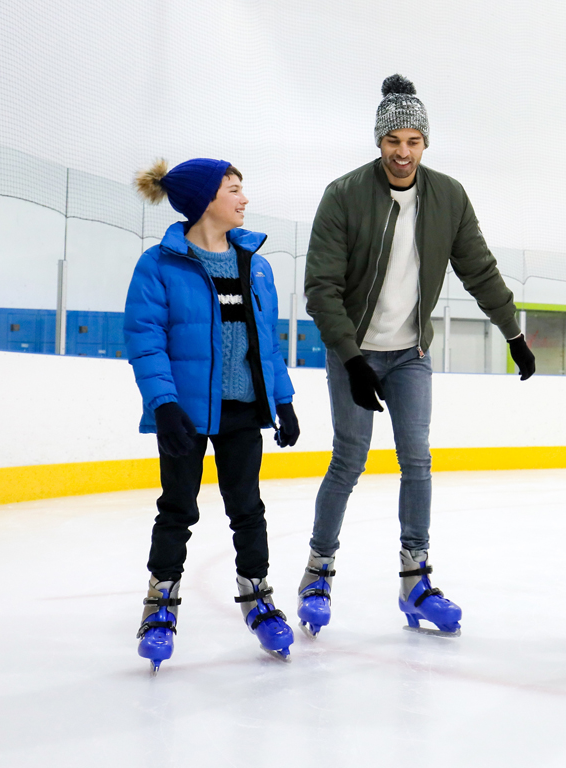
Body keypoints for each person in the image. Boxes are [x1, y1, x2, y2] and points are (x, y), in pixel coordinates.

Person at [298, 74, 536, 638]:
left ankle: (415, 580)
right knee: (348, 460)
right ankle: (317, 570)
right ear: (378, 142)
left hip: (410, 354)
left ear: (425, 143)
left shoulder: (447, 196)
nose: (402, 153)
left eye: (413, 141)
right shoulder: (343, 194)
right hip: (353, 352)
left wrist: (513, 333)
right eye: (392, 141)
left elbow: (478, 268)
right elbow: (321, 289)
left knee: (418, 462)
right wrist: (352, 361)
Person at [126, 158, 301, 672]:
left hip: (245, 409)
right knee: (177, 508)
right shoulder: (160, 264)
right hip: (185, 412)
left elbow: (266, 343)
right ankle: (160, 604)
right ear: (206, 200)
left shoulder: (255, 264)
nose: (244, 200)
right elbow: (146, 340)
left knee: (247, 508)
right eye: (234, 190)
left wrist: (283, 399)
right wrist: (163, 404)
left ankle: (258, 596)